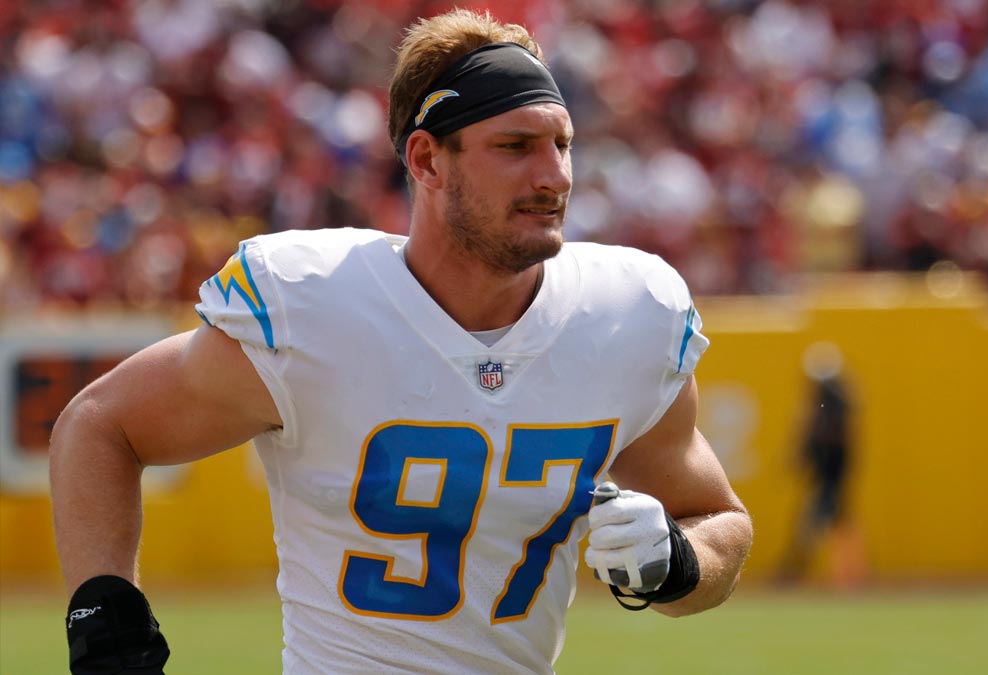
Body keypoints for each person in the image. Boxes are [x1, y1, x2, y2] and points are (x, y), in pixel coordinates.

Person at [49, 9, 752, 675]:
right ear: (426, 160)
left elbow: (719, 517)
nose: (554, 176)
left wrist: (682, 562)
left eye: (561, 144)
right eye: (515, 146)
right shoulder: (310, 305)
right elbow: (99, 424)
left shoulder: (629, 311)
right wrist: (103, 616)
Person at [776, 341, 863, 587]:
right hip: (831, 475)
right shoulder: (837, 404)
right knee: (837, 524)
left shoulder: (831, 409)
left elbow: (819, 438)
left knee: (814, 525)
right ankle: (849, 575)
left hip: (830, 476)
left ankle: (795, 572)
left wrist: (802, 458)